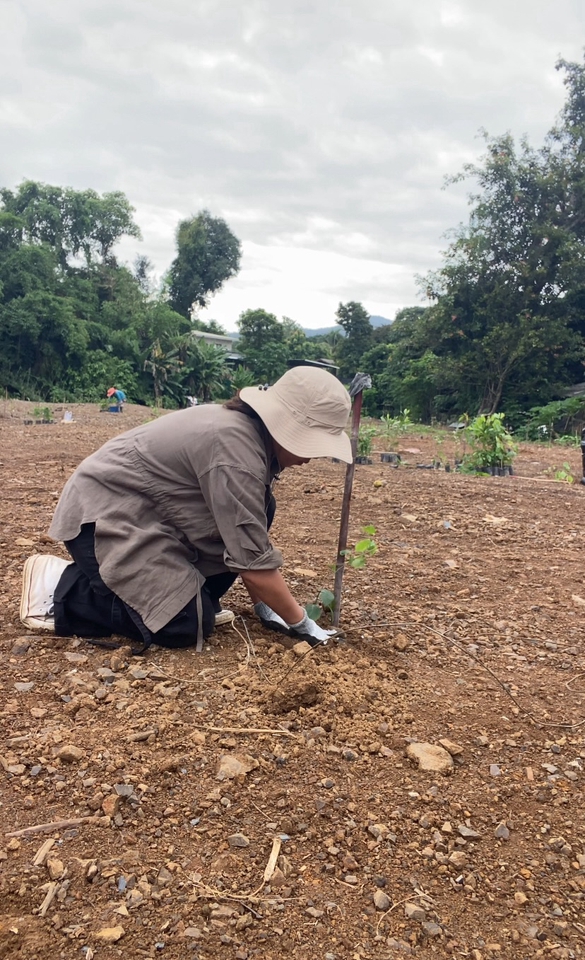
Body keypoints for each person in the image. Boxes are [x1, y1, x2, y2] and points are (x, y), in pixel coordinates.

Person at [20, 367, 352, 651]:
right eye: (310, 441)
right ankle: (60, 588)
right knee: (183, 624)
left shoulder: (247, 438)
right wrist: (303, 625)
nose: (310, 457)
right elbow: (253, 565)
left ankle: (179, 596)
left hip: (151, 515)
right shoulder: (236, 452)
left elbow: (244, 540)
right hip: (103, 517)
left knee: (263, 509)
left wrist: (266, 606)